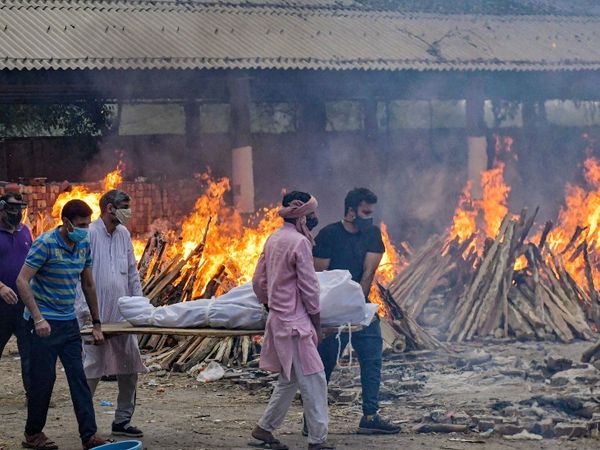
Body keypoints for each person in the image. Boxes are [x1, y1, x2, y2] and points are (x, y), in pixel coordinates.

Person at [16, 199, 109, 450]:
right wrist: (38, 318)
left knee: (79, 378)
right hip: (43, 324)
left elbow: (88, 285)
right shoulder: (45, 244)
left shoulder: (83, 244)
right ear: (66, 222)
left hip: (68, 323)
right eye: (81, 224)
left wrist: (97, 323)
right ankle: (33, 434)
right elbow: (22, 281)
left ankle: (89, 435)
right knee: (43, 381)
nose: (85, 229)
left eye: (88, 225)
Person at [313, 188, 400, 435]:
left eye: (371, 212)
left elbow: (368, 272)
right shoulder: (329, 235)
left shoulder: (372, 234)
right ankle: (313, 418)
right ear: (350, 211)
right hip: (331, 310)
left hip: (360, 305)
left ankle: (370, 416)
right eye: (365, 212)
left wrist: (357, 305)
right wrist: (328, 316)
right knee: (324, 364)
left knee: (372, 358)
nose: (369, 217)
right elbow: (320, 279)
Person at [251, 191, 334, 450]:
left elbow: (258, 282)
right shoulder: (299, 243)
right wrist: (317, 324)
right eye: (312, 214)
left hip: (279, 319)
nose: (315, 218)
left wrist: (272, 304)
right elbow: (310, 289)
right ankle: (317, 440)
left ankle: (264, 429)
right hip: (297, 324)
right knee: (315, 378)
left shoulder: (273, 239)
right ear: (302, 215)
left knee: (290, 379)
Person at [76, 189, 146, 438]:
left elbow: (132, 271)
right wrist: (85, 314)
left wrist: (139, 307)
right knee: (92, 368)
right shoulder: (88, 234)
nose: (129, 211)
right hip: (95, 315)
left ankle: (123, 421)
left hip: (122, 314)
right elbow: (79, 278)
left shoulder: (124, 234)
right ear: (109, 208)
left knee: (129, 367)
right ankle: (86, 426)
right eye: (125, 206)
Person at [0, 193, 32, 397]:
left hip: (24, 304)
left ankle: (33, 394)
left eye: (19, 208)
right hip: (1, 306)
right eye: (11, 209)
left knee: (30, 353)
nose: (16, 213)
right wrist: (1, 287)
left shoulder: (25, 231)